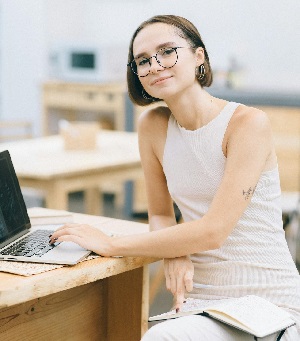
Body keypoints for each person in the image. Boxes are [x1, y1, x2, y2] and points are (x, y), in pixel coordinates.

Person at [50, 15, 300, 340]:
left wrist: (111, 245)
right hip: (203, 299)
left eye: (167, 51)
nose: (155, 65)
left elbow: (213, 231)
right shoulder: (152, 125)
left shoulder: (248, 124)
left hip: (269, 303)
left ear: (199, 57)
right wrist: (174, 252)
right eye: (142, 60)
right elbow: (160, 213)